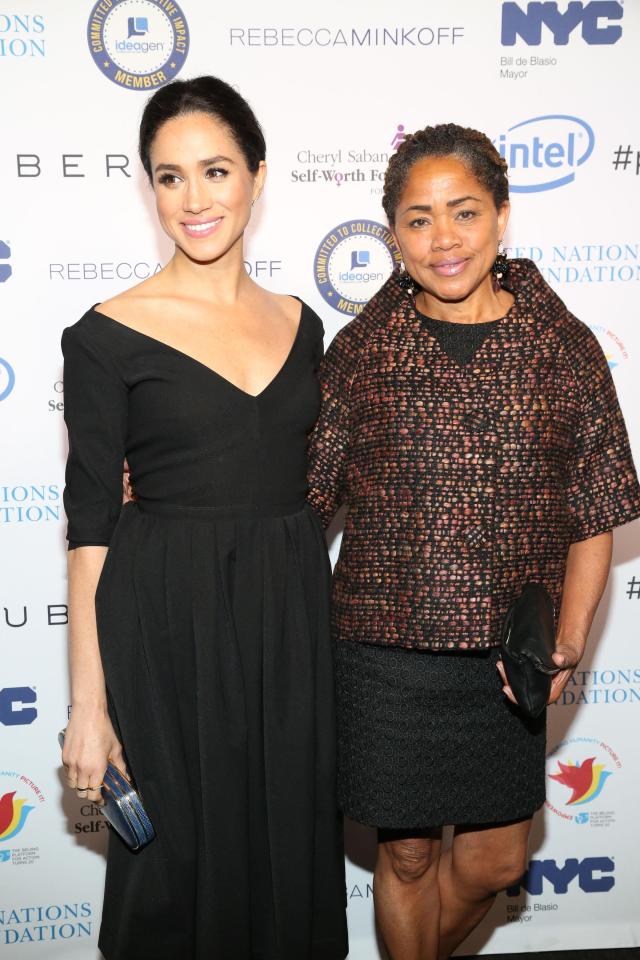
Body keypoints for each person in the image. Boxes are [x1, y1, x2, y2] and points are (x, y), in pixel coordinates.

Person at [307, 123, 640, 960]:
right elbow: (296, 496)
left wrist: (568, 636)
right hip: (384, 652)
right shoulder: (360, 352)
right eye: (418, 219)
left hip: (506, 663)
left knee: (495, 862)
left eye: (463, 212)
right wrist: (168, 480)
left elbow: (593, 510)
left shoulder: (564, 347)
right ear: (394, 234)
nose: (443, 239)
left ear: (500, 218)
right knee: (409, 853)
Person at [61, 76, 348, 960]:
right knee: (175, 875)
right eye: (169, 176)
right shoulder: (105, 335)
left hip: (288, 625)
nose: (194, 198)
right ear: (149, 188)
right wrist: (88, 706)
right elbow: (90, 529)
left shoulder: (306, 328)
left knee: (286, 852)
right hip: (166, 629)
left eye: (215, 170)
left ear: (258, 177)